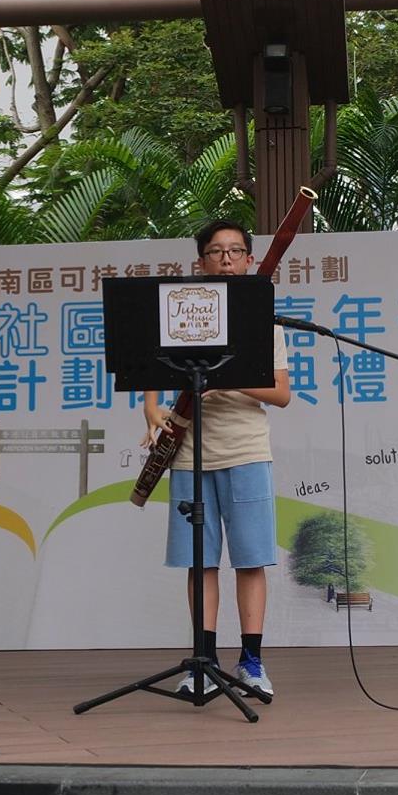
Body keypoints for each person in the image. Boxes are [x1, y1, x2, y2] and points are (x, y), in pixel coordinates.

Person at [142, 218, 291, 698]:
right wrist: (151, 407)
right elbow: (151, 371)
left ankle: (251, 662)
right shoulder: (182, 315)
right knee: (200, 561)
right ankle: (202, 664)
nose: (226, 259)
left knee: (250, 559)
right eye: (216, 251)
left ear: (250, 260)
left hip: (246, 450)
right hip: (189, 451)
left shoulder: (263, 321)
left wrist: (226, 378)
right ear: (200, 262)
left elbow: (281, 394)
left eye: (235, 251)